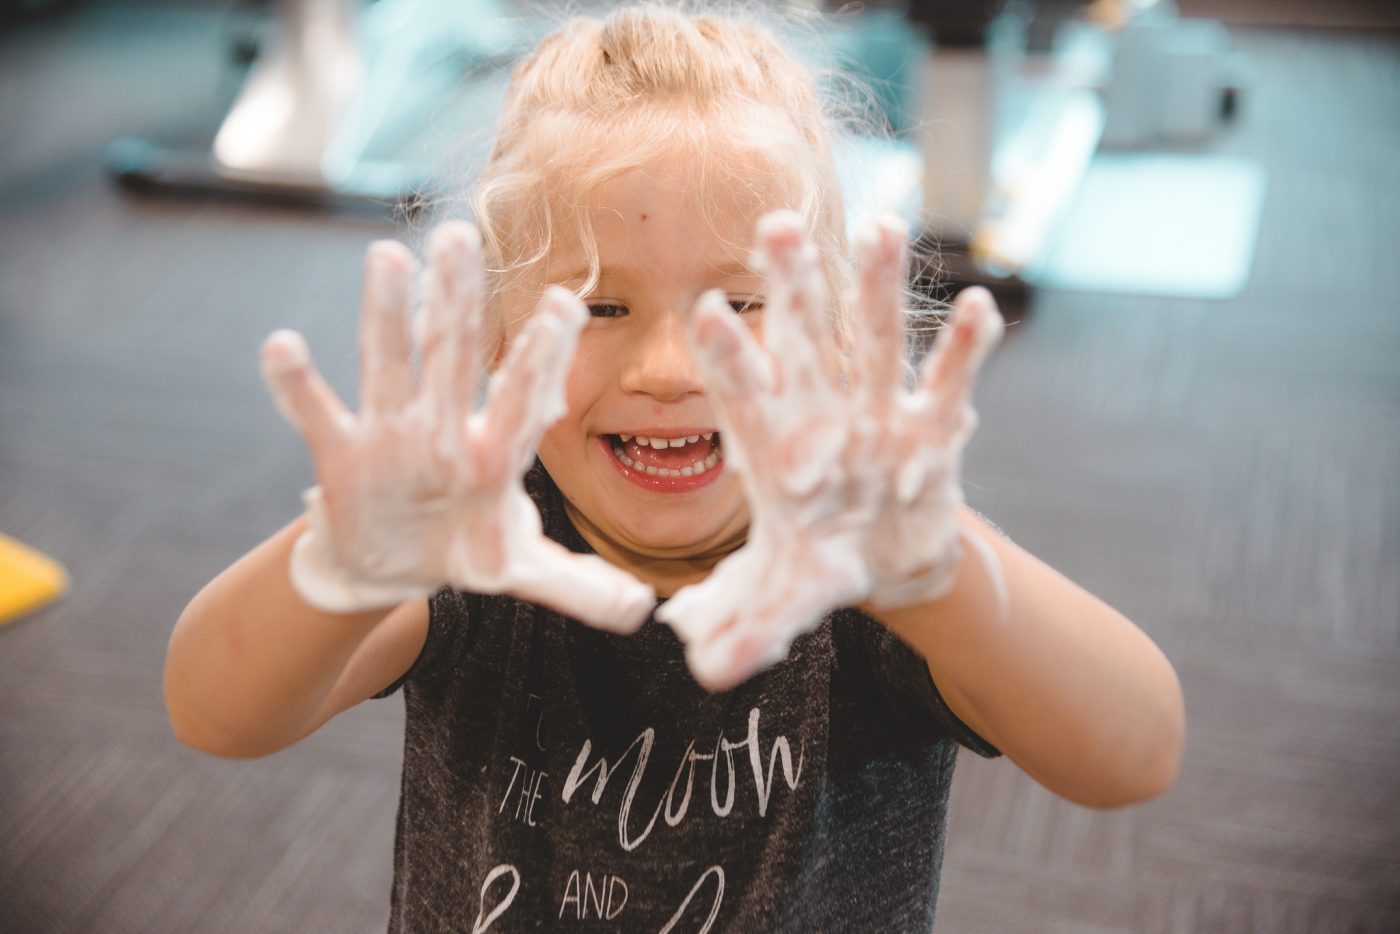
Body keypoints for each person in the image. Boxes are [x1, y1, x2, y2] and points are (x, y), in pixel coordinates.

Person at [165, 5, 1185, 931]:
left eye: (738, 308)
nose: (667, 370)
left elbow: (1133, 753)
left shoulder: (877, 561)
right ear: (494, 331)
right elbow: (215, 711)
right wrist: (339, 567)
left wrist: (945, 581)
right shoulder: (470, 541)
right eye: (599, 309)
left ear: (831, 338)